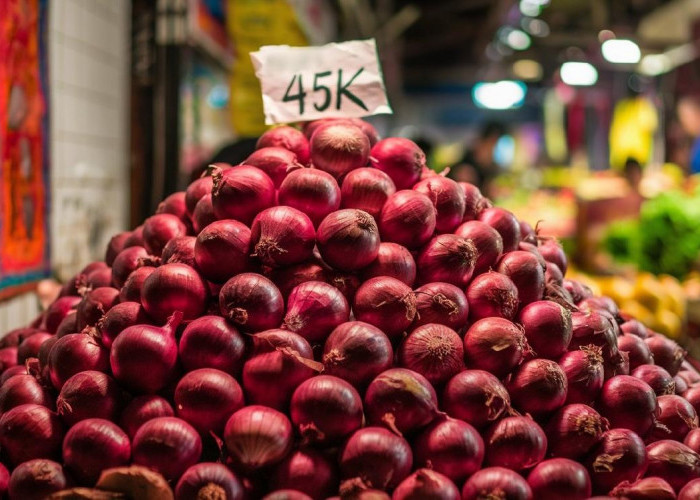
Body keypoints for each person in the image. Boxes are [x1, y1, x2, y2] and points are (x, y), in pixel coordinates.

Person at [448, 122, 505, 193]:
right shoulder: (464, 170)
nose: (491, 152)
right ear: (479, 143)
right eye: (490, 146)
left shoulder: (487, 169)